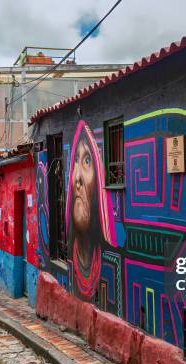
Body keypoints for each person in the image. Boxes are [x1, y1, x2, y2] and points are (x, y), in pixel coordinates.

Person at [65, 120, 116, 298]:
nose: (77, 177)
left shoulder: (113, 263)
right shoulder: (68, 255)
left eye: (87, 160)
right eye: (75, 162)